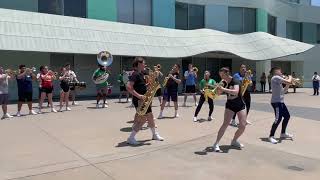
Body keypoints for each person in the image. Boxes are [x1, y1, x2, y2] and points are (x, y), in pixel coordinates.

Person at [126, 57, 163, 145]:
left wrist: (149, 85)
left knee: (150, 117)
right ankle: (131, 138)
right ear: (138, 64)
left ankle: (154, 134)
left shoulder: (141, 73)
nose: (144, 65)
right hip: (139, 100)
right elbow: (128, 87)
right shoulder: (135, 74)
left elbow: (141, 85)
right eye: (143, 63)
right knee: (143, 119)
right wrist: (139, 95)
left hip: (145, 99)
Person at [212, 67, 247, 152]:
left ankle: (234, 141)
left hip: (240, 105)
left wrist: (223, 89)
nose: (221, 77)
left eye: (222, 75)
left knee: (242, 125)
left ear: (227, 73)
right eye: (220, 75)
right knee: (225, 124)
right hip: (230, 105)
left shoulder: (235, 80)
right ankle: (216, 143)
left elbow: (235, 91)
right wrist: (216, 89)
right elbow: (218, 94)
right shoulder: (223, 82)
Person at [268, 67, 294, 144]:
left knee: (287, 116)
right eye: (280, 70)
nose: (281, 72)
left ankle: (283, 133)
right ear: (275, 71)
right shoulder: (275, 77)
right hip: (276, 102)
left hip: (281, 102)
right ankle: (271, 136)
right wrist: (290, 77)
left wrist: (289, 83)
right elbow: (288, 81)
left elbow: (284, 91)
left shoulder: (278, 81)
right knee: (278, 119)